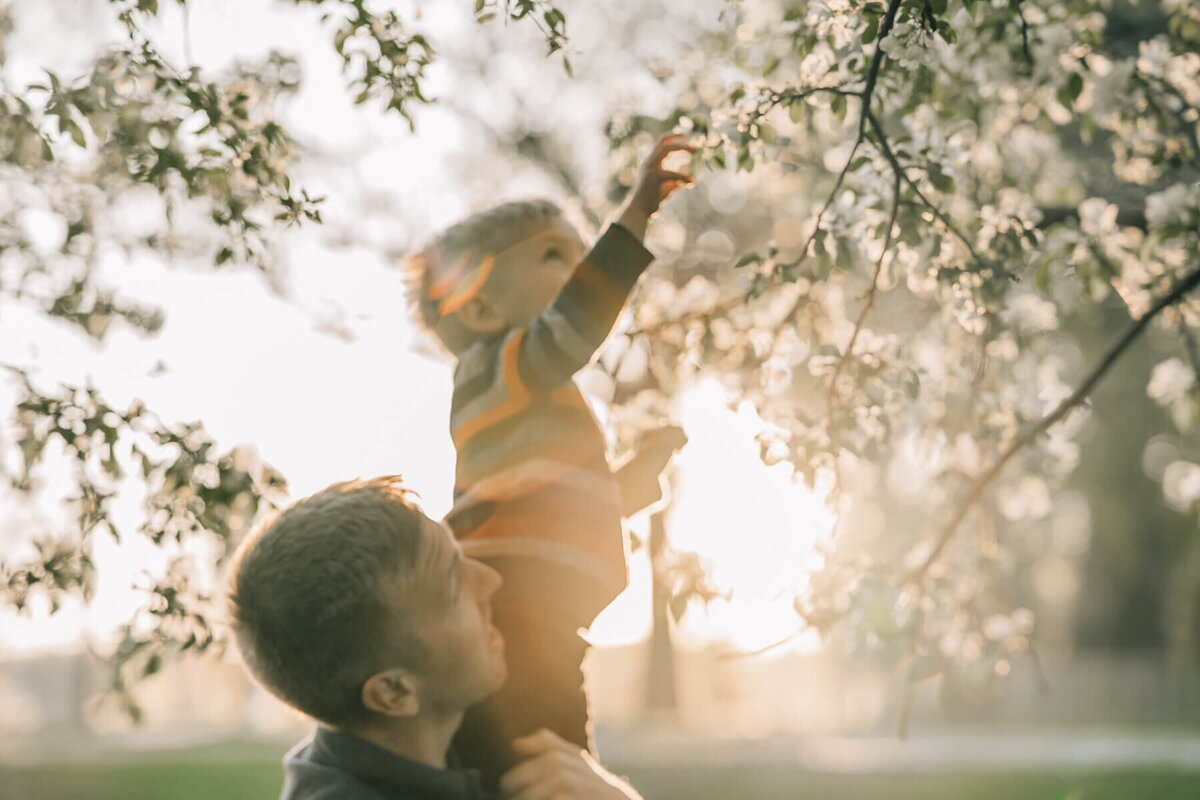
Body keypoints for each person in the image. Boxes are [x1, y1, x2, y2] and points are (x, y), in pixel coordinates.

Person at [405, 133, 695, 785]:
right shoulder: (498, 367)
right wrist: (636, 214)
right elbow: (576, 321)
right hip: (515, 618)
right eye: (554, 256)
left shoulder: (522, 396)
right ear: (480, 307)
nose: (579, 267)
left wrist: (628, 484)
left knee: (545, 764)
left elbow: (543, 503)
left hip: (543, 623)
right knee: (545, 768)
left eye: (580, 252)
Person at [225, 476, 643, 800]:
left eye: (461, 554)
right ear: (394, 691)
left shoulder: (450, 731)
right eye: (453, 588)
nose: (491, 580)